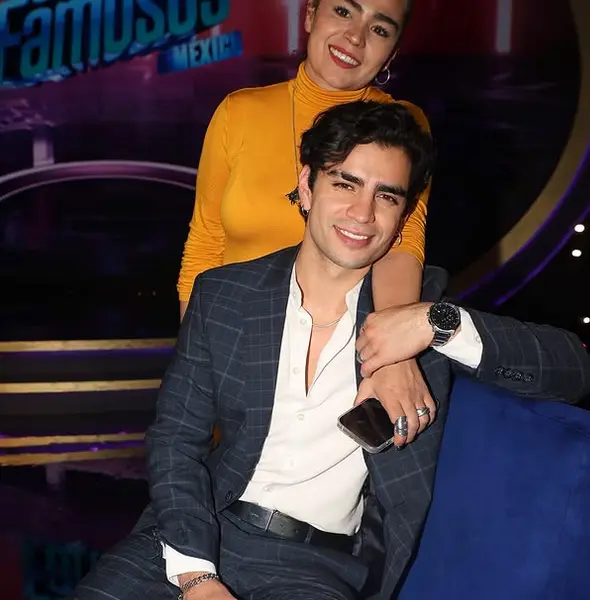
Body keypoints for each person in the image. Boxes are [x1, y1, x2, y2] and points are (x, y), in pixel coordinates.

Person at [71, 101, 590, 600]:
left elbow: (572, 369)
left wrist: (435, 324)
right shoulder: (226, 294)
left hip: (313, 567)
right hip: (196, 535)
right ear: (307, 186)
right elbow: (175, 440)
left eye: (387, 196)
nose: (363, 213)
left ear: (404, 214)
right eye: (346, 184)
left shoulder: (416, 315)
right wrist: (196, 576)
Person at [178, 0, 435, 446]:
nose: (355, 36)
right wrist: (196, 366)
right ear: (311, 14)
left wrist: (392, 356)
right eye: (343, 12)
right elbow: (204, 245)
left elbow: (403, 244)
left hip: (338, 368)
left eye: (379, 29)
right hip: (234, 354)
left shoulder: (404, 127)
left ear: (392, 51)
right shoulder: (239, 113)